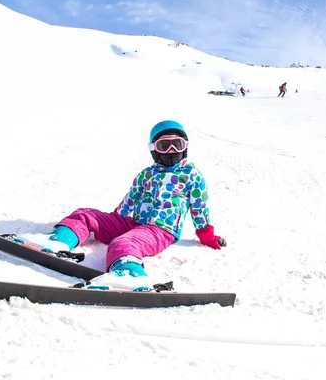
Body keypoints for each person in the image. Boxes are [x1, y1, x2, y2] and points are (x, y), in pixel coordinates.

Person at [22, 120, 227, 291]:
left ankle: (130, 274)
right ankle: (58, 241)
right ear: (153, 149)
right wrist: (110, 222)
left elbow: (199, 208)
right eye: (165, 146)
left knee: (124, 242)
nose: (172, 151)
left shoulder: (192, 175)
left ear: (186, 147)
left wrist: (207, 235)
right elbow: (130, 199)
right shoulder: (147, 174)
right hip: (131, 222)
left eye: (178, 145)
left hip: (160, 230)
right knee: (86, 214)